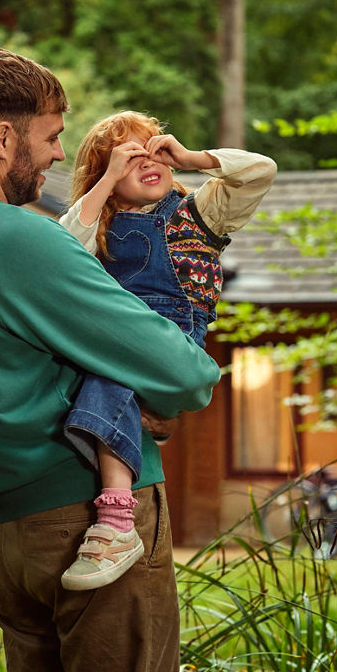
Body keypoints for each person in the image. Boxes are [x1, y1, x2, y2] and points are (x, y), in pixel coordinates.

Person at [0, 47, 220, 672]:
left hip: (8, 534)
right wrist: (148, 395)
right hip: (84, 524)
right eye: (49, 138)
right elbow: (187, 374)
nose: (53, 157)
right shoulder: (19, 238)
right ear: (0, 138)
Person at [54, 112, 276, 589]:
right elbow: (60, 251)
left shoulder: (200, 211)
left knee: (109, 377)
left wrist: (194, 158)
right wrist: (108, 179)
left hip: (171, 337)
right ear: (107, 178)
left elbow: (261, 170)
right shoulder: (101, 226)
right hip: (117, 334)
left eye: (156, 149)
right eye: (129, 157)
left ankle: (116, 522)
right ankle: (44, 524)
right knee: (53, 381)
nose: (148, 159)